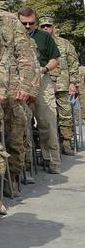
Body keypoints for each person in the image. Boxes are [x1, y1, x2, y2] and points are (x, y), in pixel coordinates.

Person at [0, 2, 38, 203]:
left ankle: (13, 178)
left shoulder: (8, 21)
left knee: (15, 135)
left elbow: (25, 57)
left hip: (11, 88)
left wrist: (26, 86)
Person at [17, 6, 62, 173]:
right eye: (24, 23)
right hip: (20, 80)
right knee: (22, 125)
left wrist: (45, 70)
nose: (28, 26)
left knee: (47, 121)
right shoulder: (12, 36)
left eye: (31, 23)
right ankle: (26, 164)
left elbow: (54, 59)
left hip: (42, 78)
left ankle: (52, 161)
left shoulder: (44, 36)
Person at [40, 16, 80, 155]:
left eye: (48, 26)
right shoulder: (36, 42)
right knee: (47, 117)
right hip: (44, 85)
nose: (45, 28)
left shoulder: (64, 44)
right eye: (43, 26)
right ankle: (51, 145)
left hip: (63, 86)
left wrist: (73, 83)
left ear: (53, 27)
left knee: (65, 115)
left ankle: (66, 143)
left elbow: (73, 64)